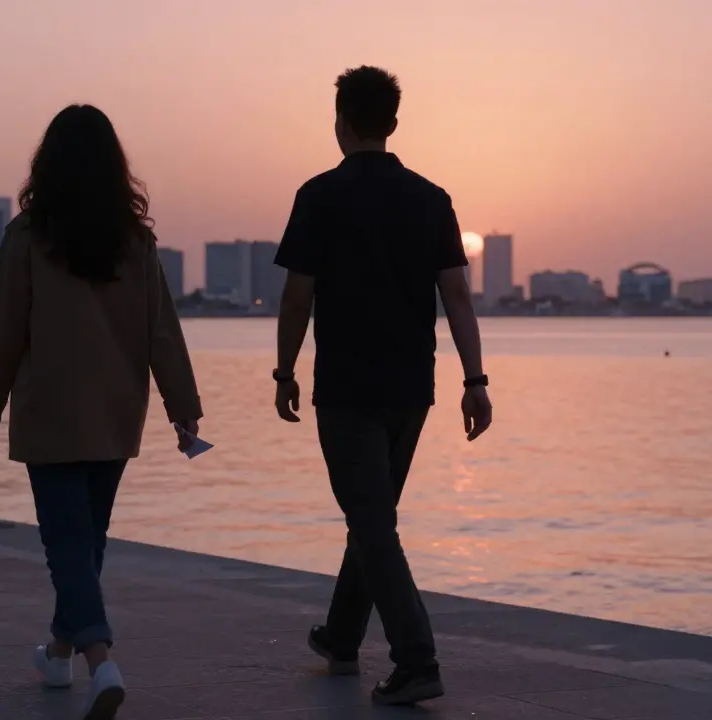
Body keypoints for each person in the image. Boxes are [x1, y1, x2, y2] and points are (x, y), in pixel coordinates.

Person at [0, 104, 203, 720]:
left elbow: (4, 329)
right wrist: (184, 409)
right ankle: (57, 652)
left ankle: (101, 663)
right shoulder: (135, 242)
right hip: (115, 410)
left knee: (69, 543)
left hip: (50, 408)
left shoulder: (27, 235)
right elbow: (162, 333)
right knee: (85, 541)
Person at [272, 66, 492, 706]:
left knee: (371, 521)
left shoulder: (319, 195)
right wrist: (475, 380)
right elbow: (457, 297)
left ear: (340, 121)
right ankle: (342, 638)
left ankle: (417, 660)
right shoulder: (432, 199)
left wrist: (285, 370)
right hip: (411, 388)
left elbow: (296, 298)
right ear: (393, 124)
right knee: (373, 517)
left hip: (345, 387)